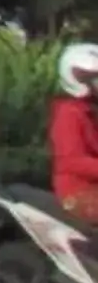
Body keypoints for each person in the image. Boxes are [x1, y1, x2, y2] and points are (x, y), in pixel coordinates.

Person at [53, 44, 98, 227]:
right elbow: (72, 161)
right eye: (94, 77)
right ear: (79, 79)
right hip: (77, 193)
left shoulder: (92, 110)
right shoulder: (69, 113)